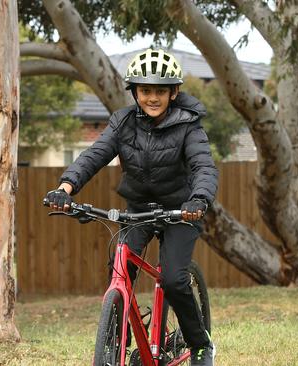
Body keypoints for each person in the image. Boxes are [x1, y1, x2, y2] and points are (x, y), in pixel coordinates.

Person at [44, 48, 218, 366]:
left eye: (160, 91)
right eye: (145, 90)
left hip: (181, 210)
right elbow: (94, 155)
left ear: (174, 92)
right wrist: (65, 187)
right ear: (135, 92)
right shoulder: (123, 122)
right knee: (120, 268)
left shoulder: (189, 125)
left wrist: (199, 199)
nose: (152, 97)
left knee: (174, 279)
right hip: (138, 209)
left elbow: (203, 166)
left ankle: (200, 344)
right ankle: (118, 340)